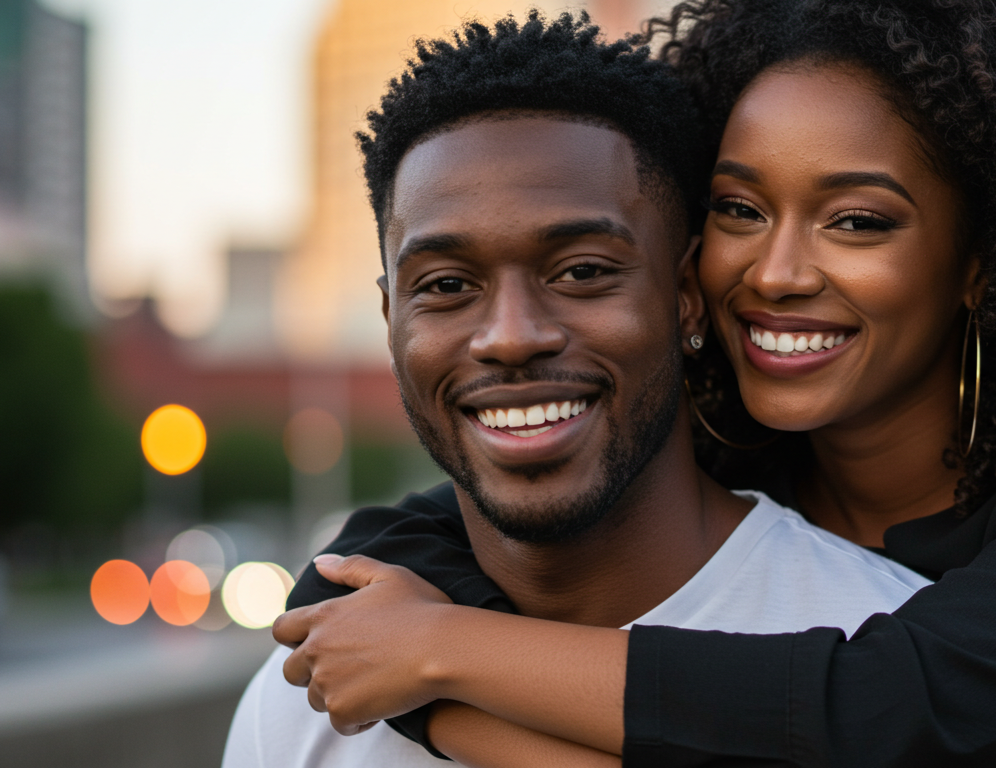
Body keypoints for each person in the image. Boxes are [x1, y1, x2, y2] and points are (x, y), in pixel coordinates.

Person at [279, 0, 996, 766]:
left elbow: (893, 716)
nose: (775, 273)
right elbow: (363, 568)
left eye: (858, 221)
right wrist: (431, 687)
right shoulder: (715, 437)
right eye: (741, 208)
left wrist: (448, 659)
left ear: (981, 259)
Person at [223, 13, 936, 768]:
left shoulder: (893, 654)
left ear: (688, 294)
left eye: (583, 271)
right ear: (391, 319)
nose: (509, 335)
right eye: (446, 285)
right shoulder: (308, 703)